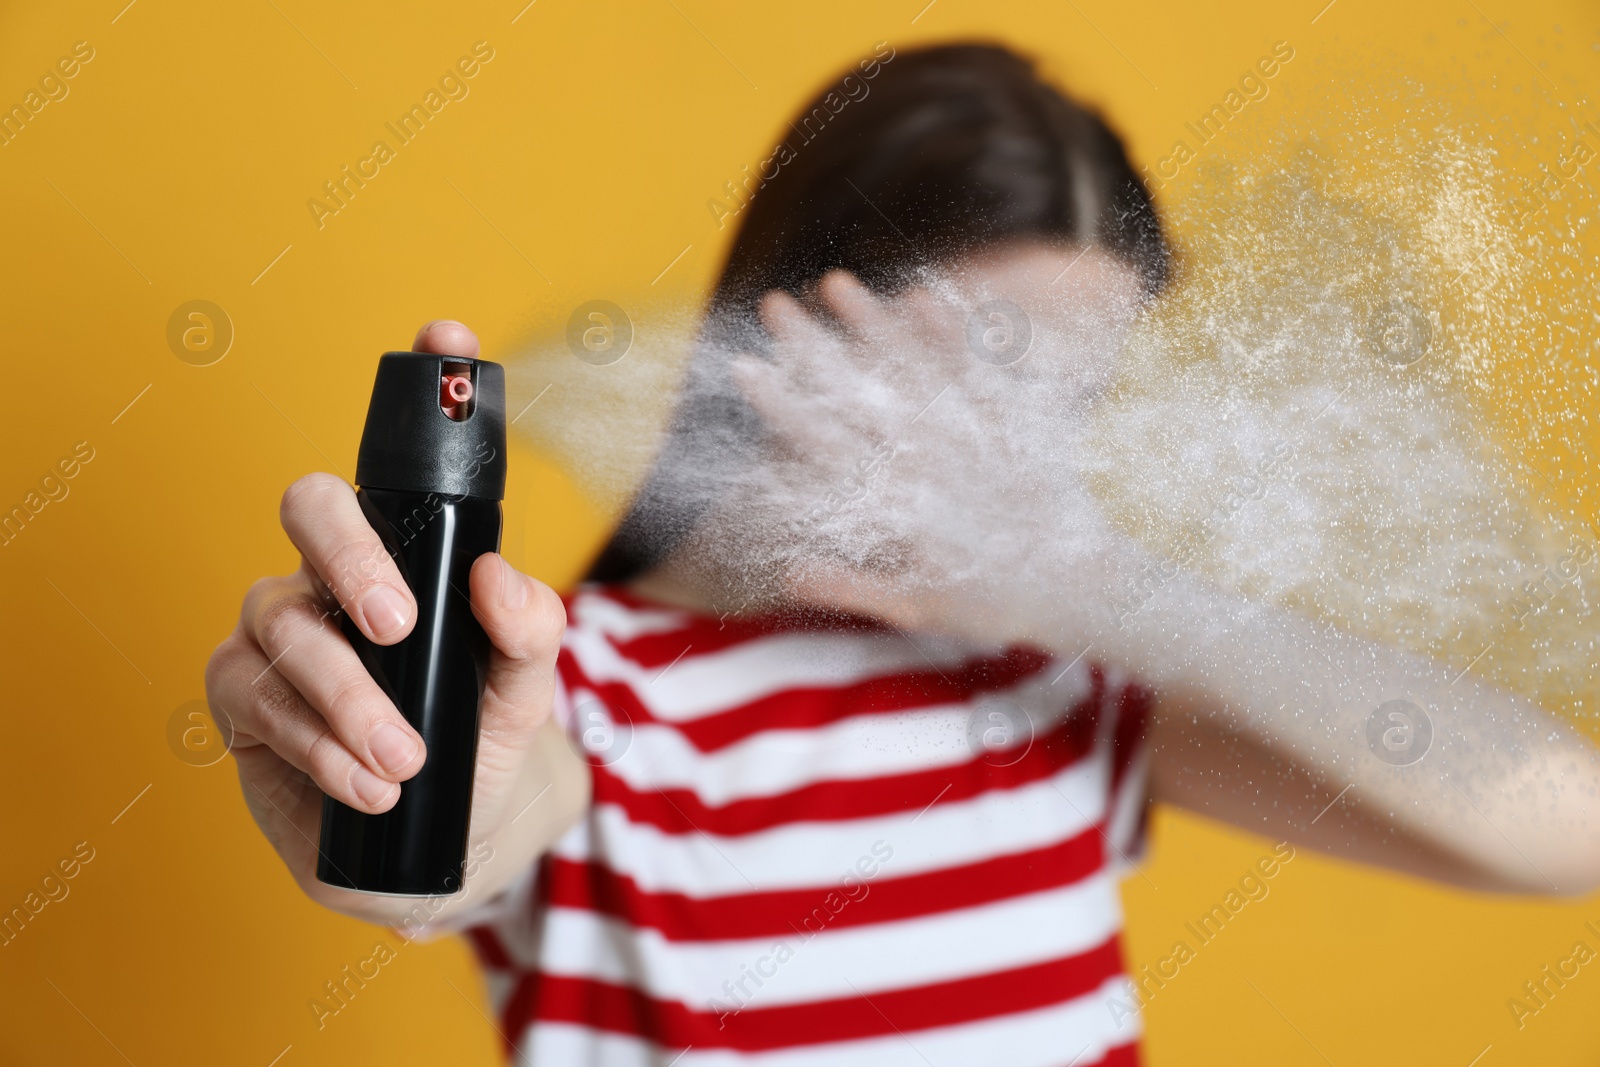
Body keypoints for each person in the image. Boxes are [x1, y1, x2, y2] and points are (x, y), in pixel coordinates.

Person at [206, 43, 1600, 1066]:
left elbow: (1565, 831)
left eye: (1069, 405)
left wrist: (1076, 579)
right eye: (977, 380)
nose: (1018, 462)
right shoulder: (587, 683)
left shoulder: (1060, 670)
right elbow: (459, 842)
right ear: (783, 339)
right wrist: (405, 776)